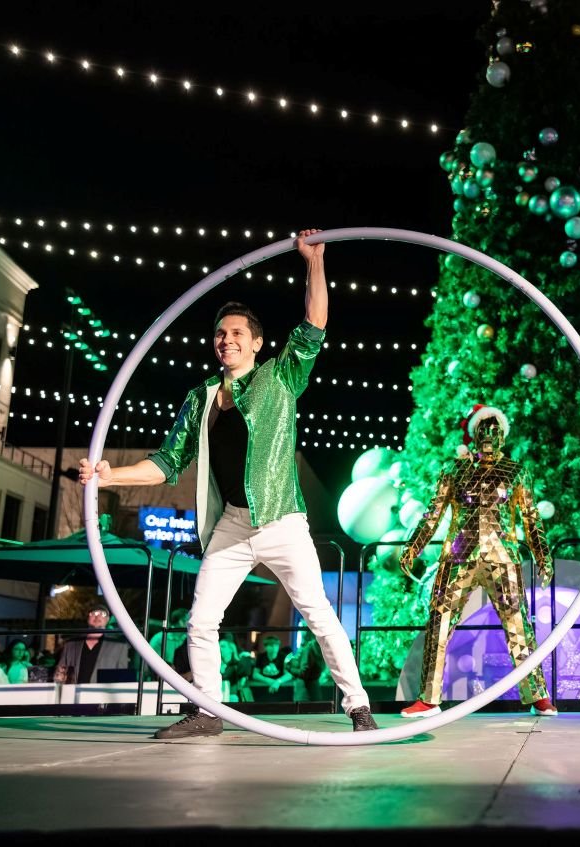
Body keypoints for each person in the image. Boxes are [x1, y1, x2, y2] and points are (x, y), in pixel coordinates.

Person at [78, 230, 376, 737]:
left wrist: (315, 263)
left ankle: (359, 708)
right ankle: (208, 711)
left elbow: (314, 323)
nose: (227, 339)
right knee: (200, 620)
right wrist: (110, 476)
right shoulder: (199, 398)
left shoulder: (281, 378)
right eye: (220, 333)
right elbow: (168, 463)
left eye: (237, 332)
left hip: (282, 519)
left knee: (320, 616)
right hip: (233, 525)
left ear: (256, 343)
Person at [397, 404, 557, 718]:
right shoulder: (454, 470)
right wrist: (413, 547)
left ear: (502, 435)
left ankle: (537, 695)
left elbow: (531, 517)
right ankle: (429, 699)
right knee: (439, 623)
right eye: (483, 428)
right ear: (473, 433)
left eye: (495, 428)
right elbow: (433, 514)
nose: (489, 435)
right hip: (457, 556)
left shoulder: (515, 471)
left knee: (519, 627)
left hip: (502, 557)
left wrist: (543, 555)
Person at [55, 605, 131, 684]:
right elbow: (60, 674)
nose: (97, 616)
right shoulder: (71, 644)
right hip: (74, 693)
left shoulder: (119, 646)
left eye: (102, 614)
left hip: (102, 694)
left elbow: (122, 679)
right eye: (93, 613)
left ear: (107, 619)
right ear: (88, 618)